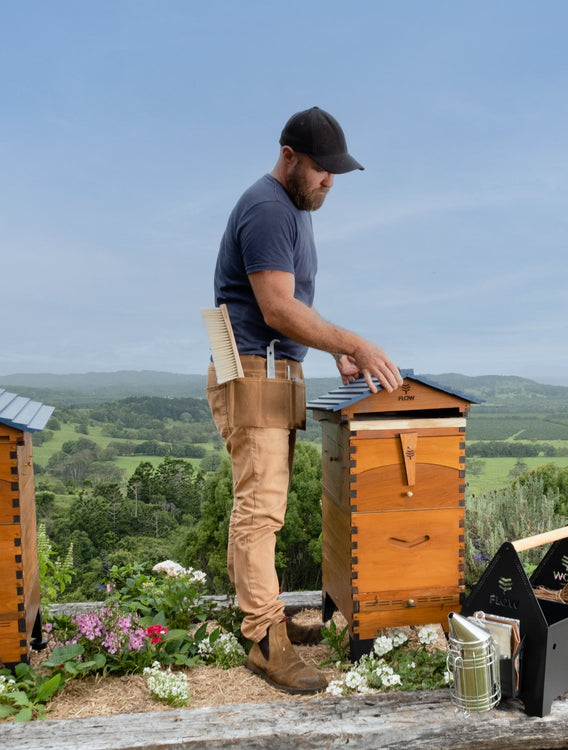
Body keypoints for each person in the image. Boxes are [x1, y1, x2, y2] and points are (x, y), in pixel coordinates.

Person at [206, 106, 402, 695]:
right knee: (259, 511)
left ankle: (264, 616)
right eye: (321, 169)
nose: (329, 182)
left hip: (272, 372)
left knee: (263, 507)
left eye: (334, 173)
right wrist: (356, 345)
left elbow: (289, 315)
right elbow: (276, 309)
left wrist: (328, 353)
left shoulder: (291, 207)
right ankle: (266, 641)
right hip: (254, 375)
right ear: (289, 157)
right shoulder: (269, 208)